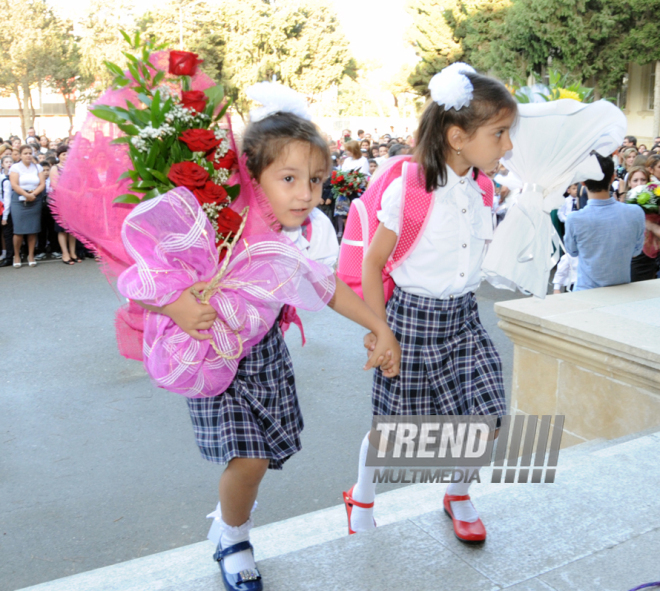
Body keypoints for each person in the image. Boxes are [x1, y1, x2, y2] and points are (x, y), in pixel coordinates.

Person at [133, 90, 401, 591]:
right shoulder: (216, 224)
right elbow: (144, 275)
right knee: (250, 456)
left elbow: (329, 286)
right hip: (212, 354)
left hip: (264, 355)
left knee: (258, 460)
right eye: (289, 179)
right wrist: (176, 304)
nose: (307, 193)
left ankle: (231, 514)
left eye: (316, 180)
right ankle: (233, 538)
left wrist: (379, 326)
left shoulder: (299, 235)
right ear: (251, 175)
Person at [343, 63, 516, 544]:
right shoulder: (410, 190)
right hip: (412, 322)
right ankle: (362, 494)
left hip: (464, 321)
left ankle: (458, 492)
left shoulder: (482, 189)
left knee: (488, 417)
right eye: (499, 133)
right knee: (394, 429)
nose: (508, 145)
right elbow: (372, 264)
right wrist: (381, 331)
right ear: (458, 136)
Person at [564, 154, 645, 290]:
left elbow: (572, 251)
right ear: (612, 177)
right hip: (622, 292)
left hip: (586, 293)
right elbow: (636, 251)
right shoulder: (635, 212)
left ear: (583, 182)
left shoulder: (574, 219)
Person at [9, 145, 46, 267]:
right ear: (20, 155)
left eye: (30, 153)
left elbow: (42, 184)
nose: (28, 155)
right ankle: (17, 255)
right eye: (25, 153)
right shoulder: (15, 167)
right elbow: (14, 185)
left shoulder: (37, 167)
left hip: (34, 199)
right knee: (18, 230)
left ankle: (31, 255)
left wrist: (33, 194)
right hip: (19, 200)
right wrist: (26, 195)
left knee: (32, 229)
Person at [50, 145, 78, 264]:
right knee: (62, 229)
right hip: (60, 202)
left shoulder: (73, 168)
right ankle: (65, 253)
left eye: (68, 153)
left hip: (73, 202)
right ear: (58, 156)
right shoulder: (55, 168)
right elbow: (56, 186)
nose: (66, 156)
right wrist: (71, 192)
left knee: (72, 228)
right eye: (63, 154)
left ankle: (73, 252)